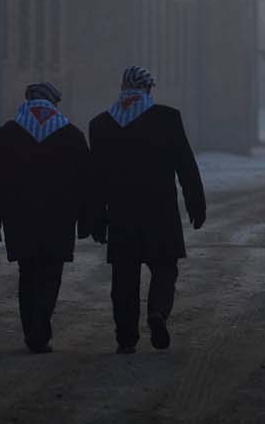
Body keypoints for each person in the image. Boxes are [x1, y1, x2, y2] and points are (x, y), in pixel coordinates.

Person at [88, 66, 206, 354]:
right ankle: (157, 312)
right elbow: (185, 166)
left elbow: (95, 178)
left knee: (124, 278)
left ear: (123, 87)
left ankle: (126, 338)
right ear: (149, 89)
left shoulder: (101, 124)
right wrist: (195, 203)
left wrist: (95, 217)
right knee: (165, 267)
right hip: (160, 210)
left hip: (120, 213)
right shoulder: (167, 118)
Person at [0, 82, 90, 354]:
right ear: (53, 104)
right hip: (59, 219)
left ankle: (32, 329)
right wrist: (89, 219)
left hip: (19, 219)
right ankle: (40, 329)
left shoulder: (6, 134)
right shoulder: (71, 135)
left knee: (27, 273)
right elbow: (87, 182)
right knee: (50, 274)